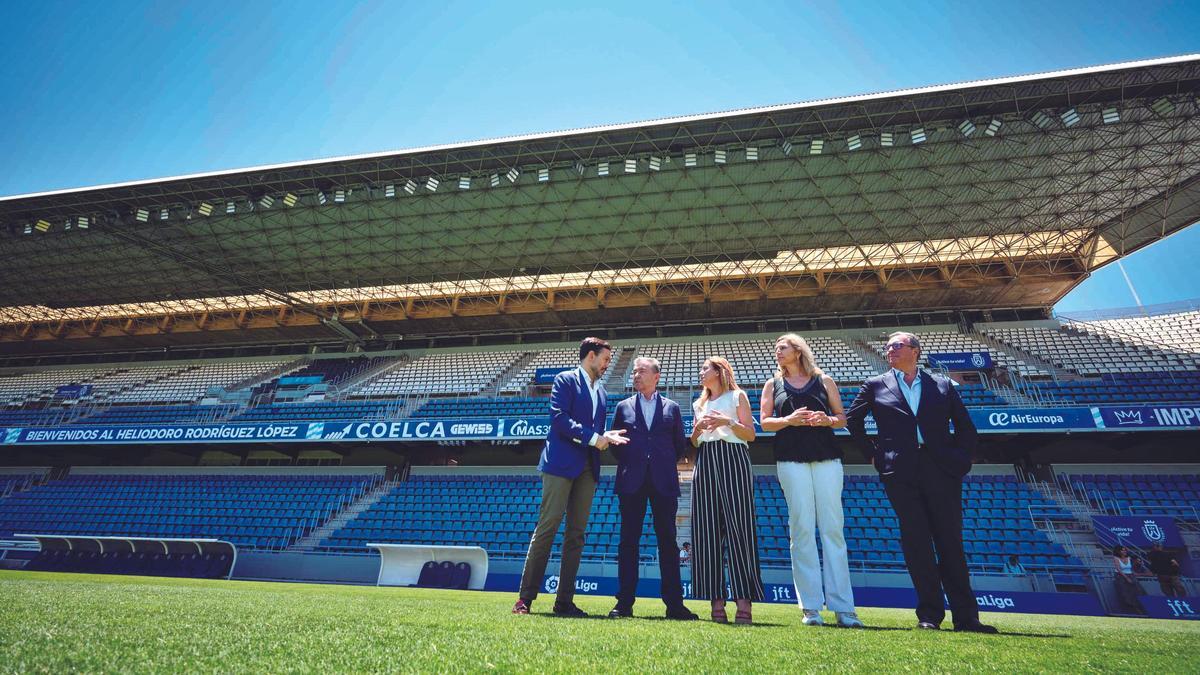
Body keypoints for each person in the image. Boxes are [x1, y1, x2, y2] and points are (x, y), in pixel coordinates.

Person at [846, 331, 997, 634]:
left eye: (896, 346)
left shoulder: (942, 385)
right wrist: (874, 454)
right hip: (899, 473)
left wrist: (961, 460)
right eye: (887, 346)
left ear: (915, 351)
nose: (890, 350)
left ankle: (967, 617)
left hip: (940, 469)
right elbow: (853, 420)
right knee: (917, 544)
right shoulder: (875, 385)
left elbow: (966, 428)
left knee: (950, 542)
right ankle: (929, 615)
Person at [512, 337, 628, 617]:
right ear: (591, 356)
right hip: (560, 464)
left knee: (576, 535)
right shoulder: (565, 380)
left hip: (588, 468)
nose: (607, 364)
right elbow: (559, 419)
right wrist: (593, 437)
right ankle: (525, 599)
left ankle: (564, 601)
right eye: (605, 359)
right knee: (548, 528)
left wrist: (605, 436)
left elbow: (596, 430)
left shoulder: (601, 392)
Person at [760, 333, 863, 628]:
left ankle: (845, 609)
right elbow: (765, 422)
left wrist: (826, 419)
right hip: (790, 459)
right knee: (801, 529)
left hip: (827, 458)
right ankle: (810, 608)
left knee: (833, 529)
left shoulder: (823, 380)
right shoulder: (773, 384)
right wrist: (789, 420)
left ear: (798, 350)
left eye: (783, 347)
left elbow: (842, 418)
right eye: (776, 348)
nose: (777, 352)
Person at [606, 357, 699, 620]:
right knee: (628, 543)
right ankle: (623, 603)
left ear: (656, 376)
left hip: (663, 481)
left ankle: (674, 605)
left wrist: (659, 461)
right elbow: (614, 442)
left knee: (668, 542)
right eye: (634, 371)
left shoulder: (672, 407)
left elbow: (679, 445)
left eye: (641, 371)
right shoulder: (623, 407)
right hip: (631, 481)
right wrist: (633, 462)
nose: (635, 375)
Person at [689, 356, 764, 624]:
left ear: (720, 371)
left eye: (705, 368)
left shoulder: (737, 396)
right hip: (706, 459)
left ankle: (744, 604)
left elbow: (751, 435)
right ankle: (716, 603)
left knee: (739, 529)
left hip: (733, 458)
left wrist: (727, 422)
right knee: (707, 532)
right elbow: (695, 442)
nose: (701, 372)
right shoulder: (699, 403)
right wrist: (696, 430)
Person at [1113, 545, 1143, 612]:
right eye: (1122, 550)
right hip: (1120, 575)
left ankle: (1138, 606)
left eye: (1125, 550)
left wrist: (1133, 574)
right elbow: (1118, 569)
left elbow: (1131, 568)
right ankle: (1130, 607)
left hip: (1130, 575)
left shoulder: (1129, 558)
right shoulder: (1116, 558)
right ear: (1118, 551)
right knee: (1125, 592)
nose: (1124, 551)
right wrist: (1126, 578)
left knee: (1137, 590)